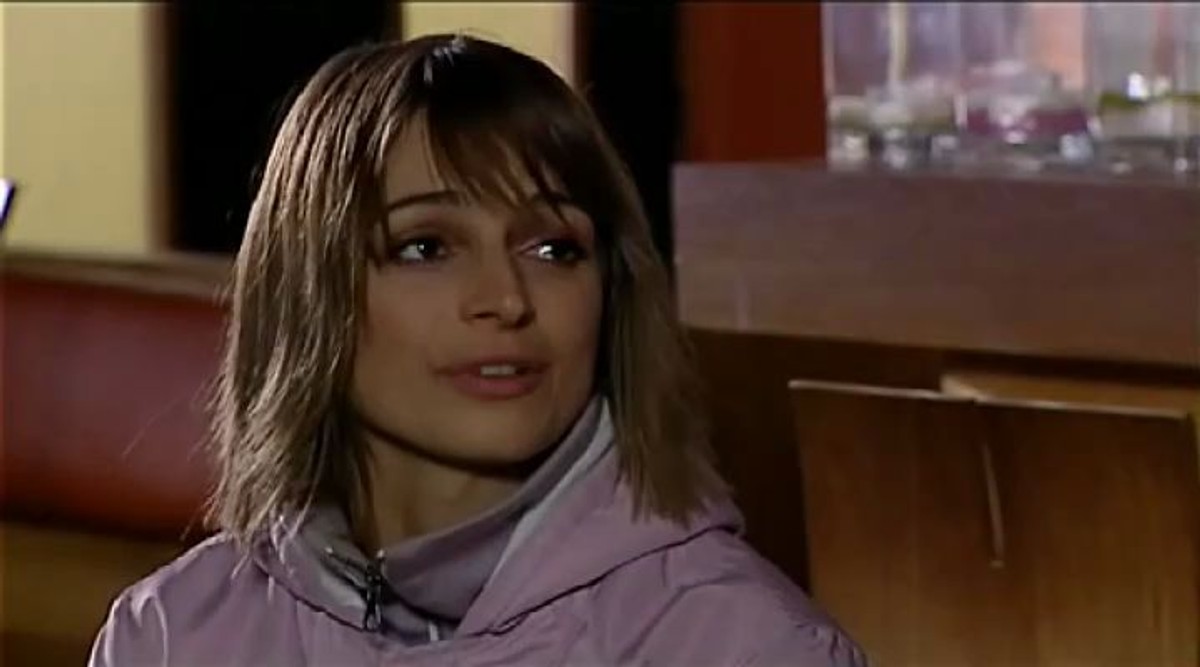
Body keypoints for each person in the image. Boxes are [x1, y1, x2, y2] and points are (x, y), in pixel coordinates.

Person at [88, 34, 865, 666]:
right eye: (427, 246)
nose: (507, 297)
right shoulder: (169, 636)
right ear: (307, 293)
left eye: (554, 248)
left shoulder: (746, 647)